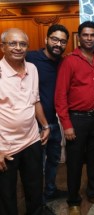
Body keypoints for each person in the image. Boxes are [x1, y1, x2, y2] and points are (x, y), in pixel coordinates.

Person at [55, 21, 94, 215]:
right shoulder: (69, 61)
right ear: (79, 37)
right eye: (86, 35)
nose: (89, 38)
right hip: (77, 120)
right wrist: (67, 124)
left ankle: (93, 193)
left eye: (93, 35)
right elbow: (60, 96)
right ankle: (74, 201)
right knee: (74, 162)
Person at [0, 28, 50, 215]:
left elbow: (35, 100)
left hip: (31, 140)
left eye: (23, 44)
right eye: (13, 43)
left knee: (35, 187)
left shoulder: (32, 69)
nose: (18, 48)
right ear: (3, 47)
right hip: (6, 147)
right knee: (7, 195)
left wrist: (45, 125)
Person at [26, 24, 69, 204]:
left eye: (62, 41)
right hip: (34, 124)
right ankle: (36, 203)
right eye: (55, 39)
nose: (58, 44)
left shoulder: (63, 62)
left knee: (53, 160)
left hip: (54, 121)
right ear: (46, 39)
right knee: (35, 167)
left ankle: (50, 191)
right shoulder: (31, 57)